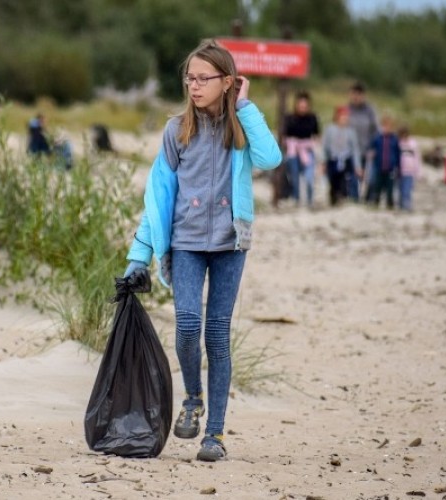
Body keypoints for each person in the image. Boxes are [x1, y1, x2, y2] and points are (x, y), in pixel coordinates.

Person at [123, 39, 281, 462]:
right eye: (189, 78)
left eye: (203, 78)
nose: (194, 86)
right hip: (186, 243)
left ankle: (215, 434)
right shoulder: (177, 130)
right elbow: (157, 198)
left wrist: (245, 106)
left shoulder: (242, 130)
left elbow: (272, 157)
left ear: (227, 81)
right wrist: (138, 258)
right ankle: (193, 398)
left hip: (231, 244)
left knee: (217, 334)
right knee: (189, 325)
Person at [284, 91, 320, 207]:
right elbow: (285, 136)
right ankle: (296, 198)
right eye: (300, 106)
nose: (302, 108)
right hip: (293, 150)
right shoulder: (290, 118)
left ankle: (310, 200)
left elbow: (317, 135)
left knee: (309, 177)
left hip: (307, 150)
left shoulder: (312, 118)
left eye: (305, 106)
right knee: (294, 176)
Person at [322, 106, 360, 206]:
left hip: (346, 159)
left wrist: (357, 165)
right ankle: (333, 198)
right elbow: (325, 146)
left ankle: (343, 197)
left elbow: (355, 149)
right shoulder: (330, 129)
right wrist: (323, 161)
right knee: (333, 180)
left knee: (345, 180)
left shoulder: (350, 131)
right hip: (333, 159)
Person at [347, 81, 379, 202]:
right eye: (353, 94)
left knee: (370, 177)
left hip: (368, 148)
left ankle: (369, 198)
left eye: (358, 94)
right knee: (353, 175)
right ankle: (354, 198)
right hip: (352, 149)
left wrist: (374, 147)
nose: (355, 97)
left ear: (363, 95)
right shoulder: (347, 110)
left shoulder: (370, 111)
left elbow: (376, 130)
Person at [365, 116, 401, 209]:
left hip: (390, 168)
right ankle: (376, 202)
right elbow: (370, 148)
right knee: (377, 187)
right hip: (379, 167)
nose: (386, 129)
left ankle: (390, 205)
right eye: (385, 126)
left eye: (389, 127)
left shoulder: (394, 139)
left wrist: (398, 166)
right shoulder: (377, 138)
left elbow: (398, 154)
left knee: (390, 188)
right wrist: (371, 153)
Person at [398, 126, 421, 212]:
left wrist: (417, 172)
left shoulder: (413, 144)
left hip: (410, 171)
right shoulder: (398, 143)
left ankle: (407, 206)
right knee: (400, 190)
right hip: (400, 171)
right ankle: (401, 205)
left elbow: (417, 159)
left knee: (407, 190)